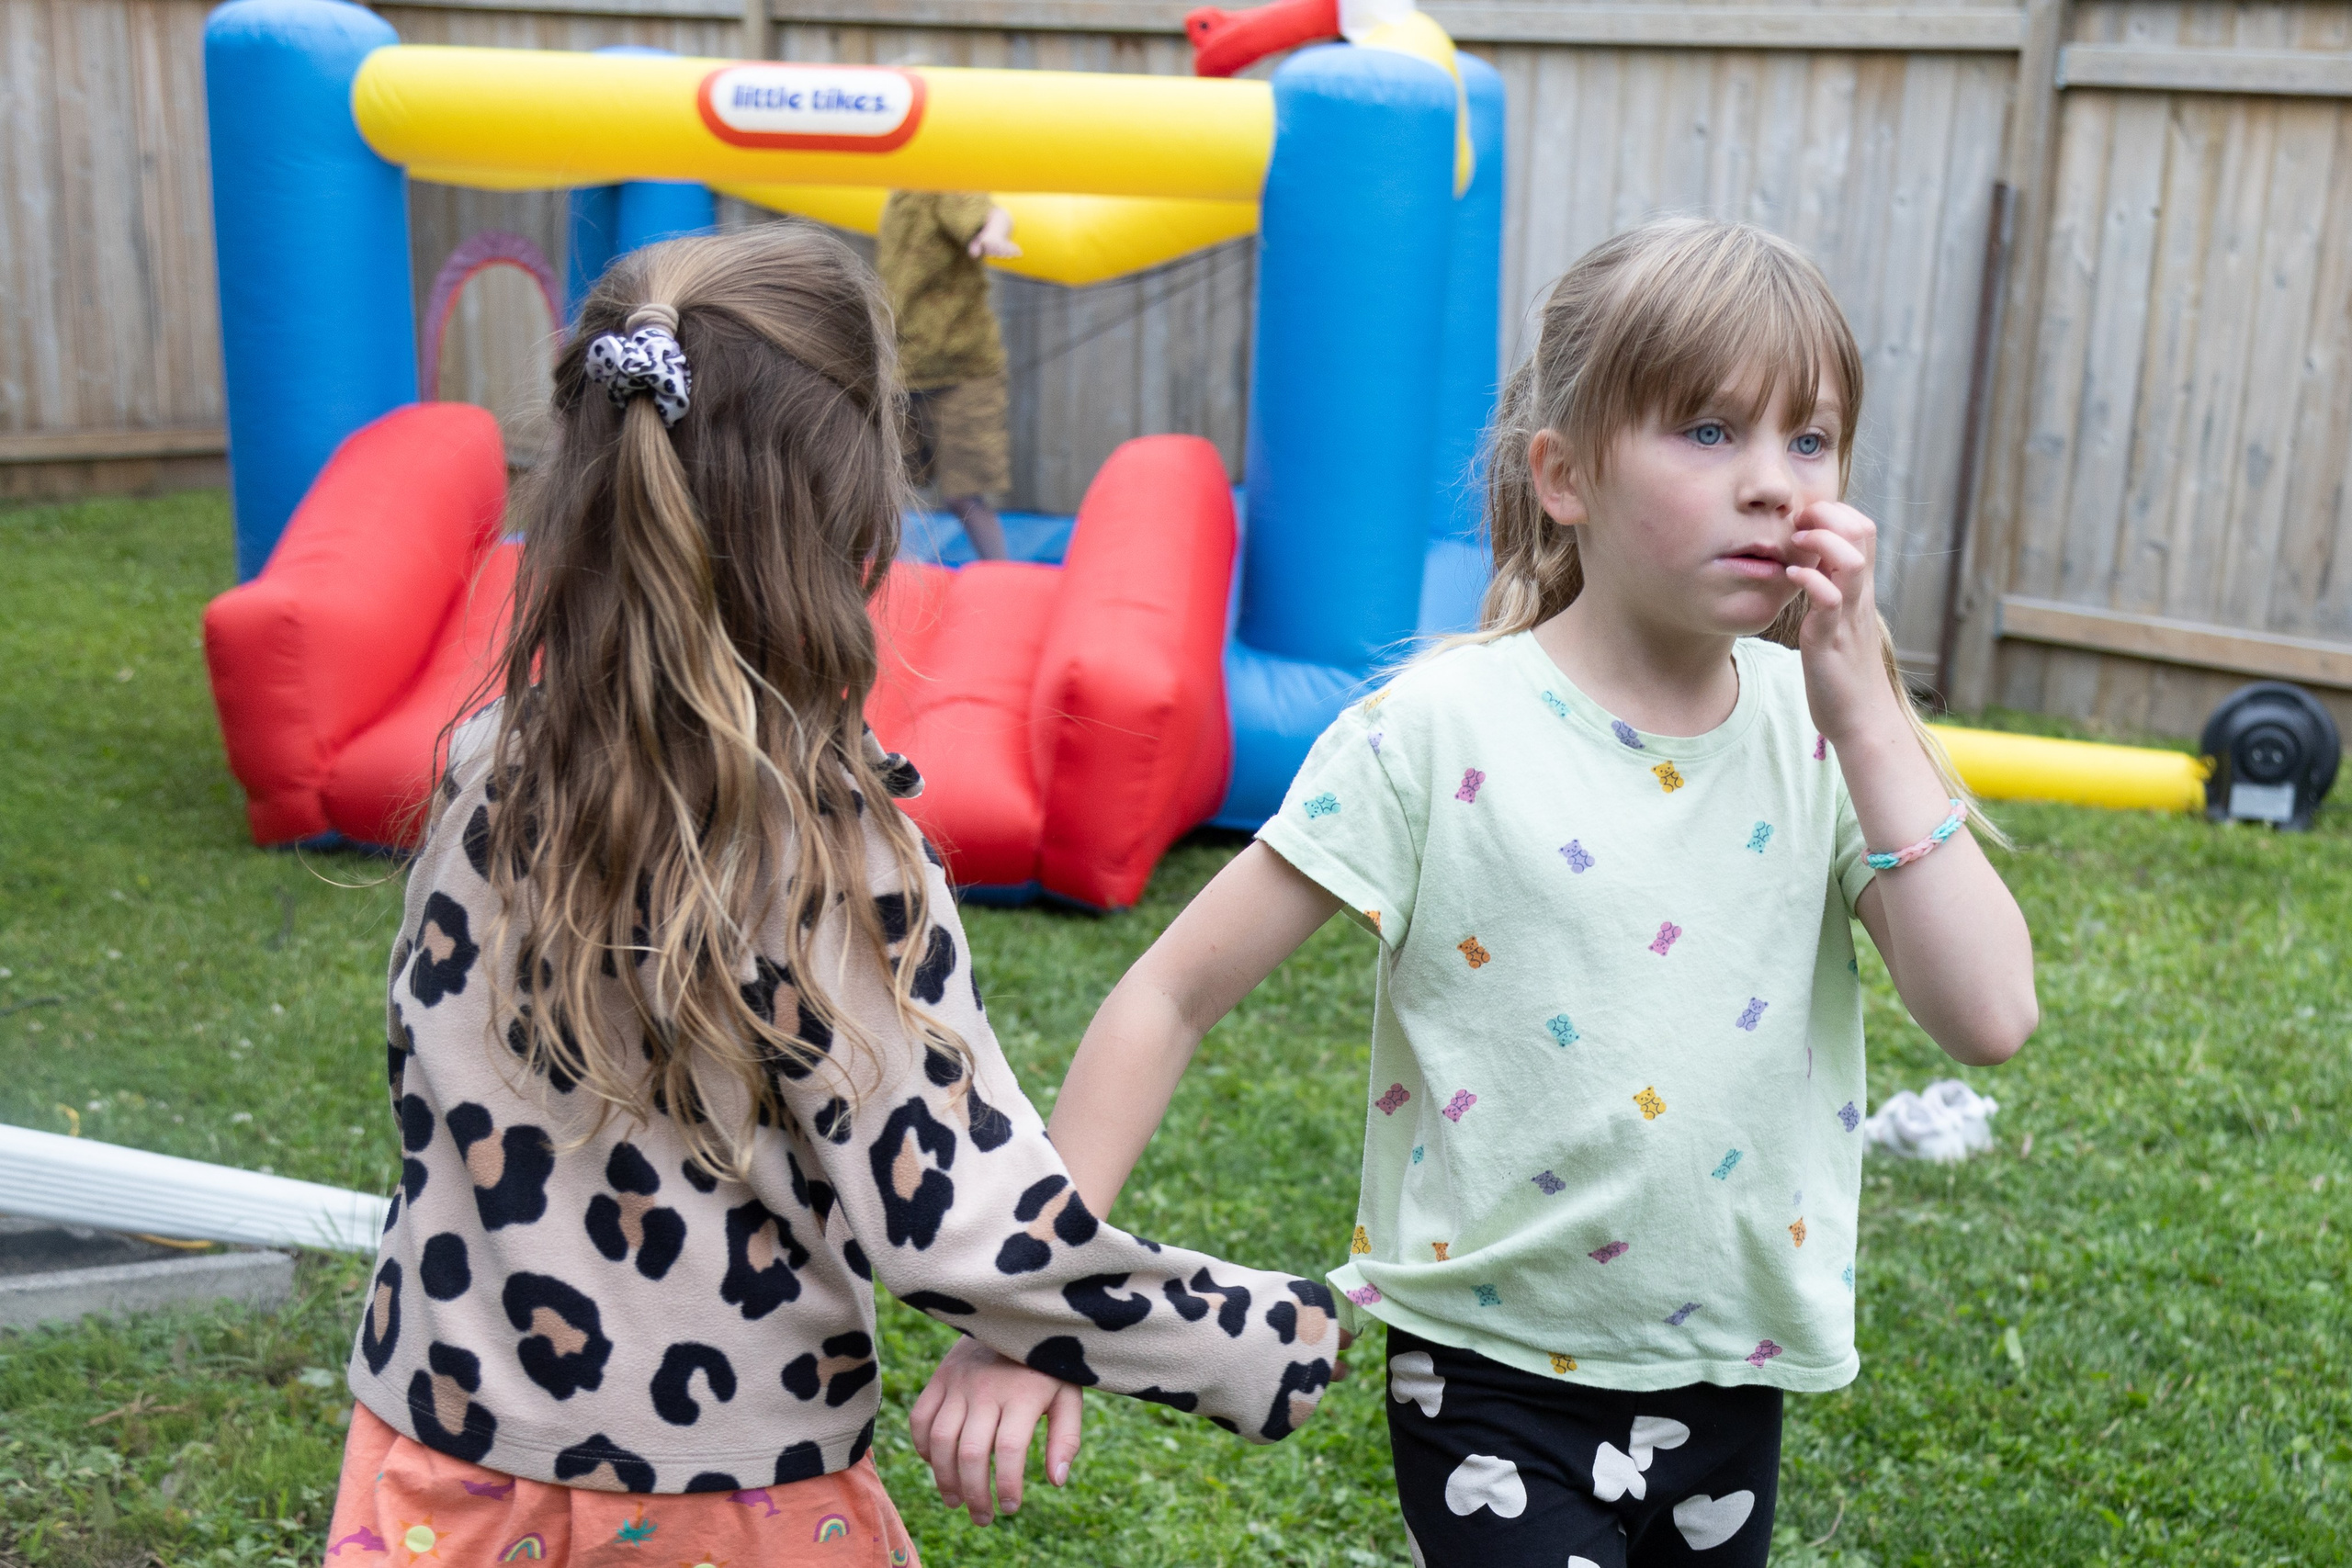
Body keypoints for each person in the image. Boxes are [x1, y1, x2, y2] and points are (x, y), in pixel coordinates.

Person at [911, 218, 2038, 1565]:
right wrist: (1037, 1301)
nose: (1771, 485)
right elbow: (1170, 988)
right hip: (1491, 1382)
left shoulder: (1827, 735)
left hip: (1734, 1377)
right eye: (1706, 430)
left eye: (1809, 439)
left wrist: (1868, 721)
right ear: (1562, 475)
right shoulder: (1437, 730)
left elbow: (1989, 1013)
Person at [319, 223, 1343, 1567]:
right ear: (855, 508)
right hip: (719, 1496)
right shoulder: (828, 852)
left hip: (428, 1464)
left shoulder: (480, 766)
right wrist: (1261, 1338)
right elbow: (959, 1226)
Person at [876, 190, 1019, 561]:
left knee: (964, 494)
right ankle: (875, 574)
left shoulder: (942, 184)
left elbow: (990, 212)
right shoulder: (897, 197)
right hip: (903, 369)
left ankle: (998, 571)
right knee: (885, 485)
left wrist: (993, 235)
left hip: (960, 371)